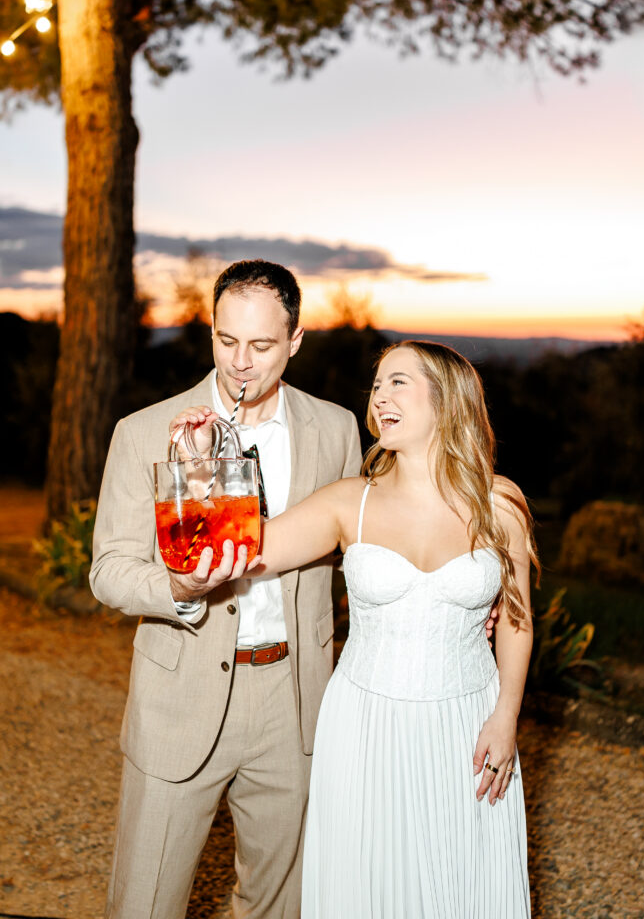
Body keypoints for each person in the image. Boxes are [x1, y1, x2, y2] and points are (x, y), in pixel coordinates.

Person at [195, 339, 536, 918]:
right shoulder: (347, 503)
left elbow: (518, 622)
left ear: (447, 399)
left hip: (466, 722)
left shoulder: (499, 506)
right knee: (373, 880)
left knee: (464, 877)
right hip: (365, 724)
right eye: (377, 385)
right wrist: (209, 464)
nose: (380, 396)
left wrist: (505, 718)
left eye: (398, 382)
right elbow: (246, 549)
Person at [89, 260, 362, 919]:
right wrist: (179, 584)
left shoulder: (336, 430)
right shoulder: (142, 432)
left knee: (279, 903)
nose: (241, 362)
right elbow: (109, 570)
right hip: (179, 694)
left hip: (293, 699)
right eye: (226, 339)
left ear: (295, 341)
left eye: (262, 345)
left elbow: (358, 557)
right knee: (145, 902)